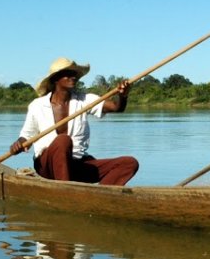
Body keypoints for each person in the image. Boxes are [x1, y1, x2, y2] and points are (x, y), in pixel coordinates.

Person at [10, 57, 139, 186]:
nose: (74, 77)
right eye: (68, 74)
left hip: (76, 164)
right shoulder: (37, 105)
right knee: (63, 141)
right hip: (47, 166)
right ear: (56, 79)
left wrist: (123, 96)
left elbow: (117, 107)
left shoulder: (85, 100)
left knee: (129, 163)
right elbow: (26, 136)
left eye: (74, 74)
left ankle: (100, 196)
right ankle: (66, 192)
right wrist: (19, 144)